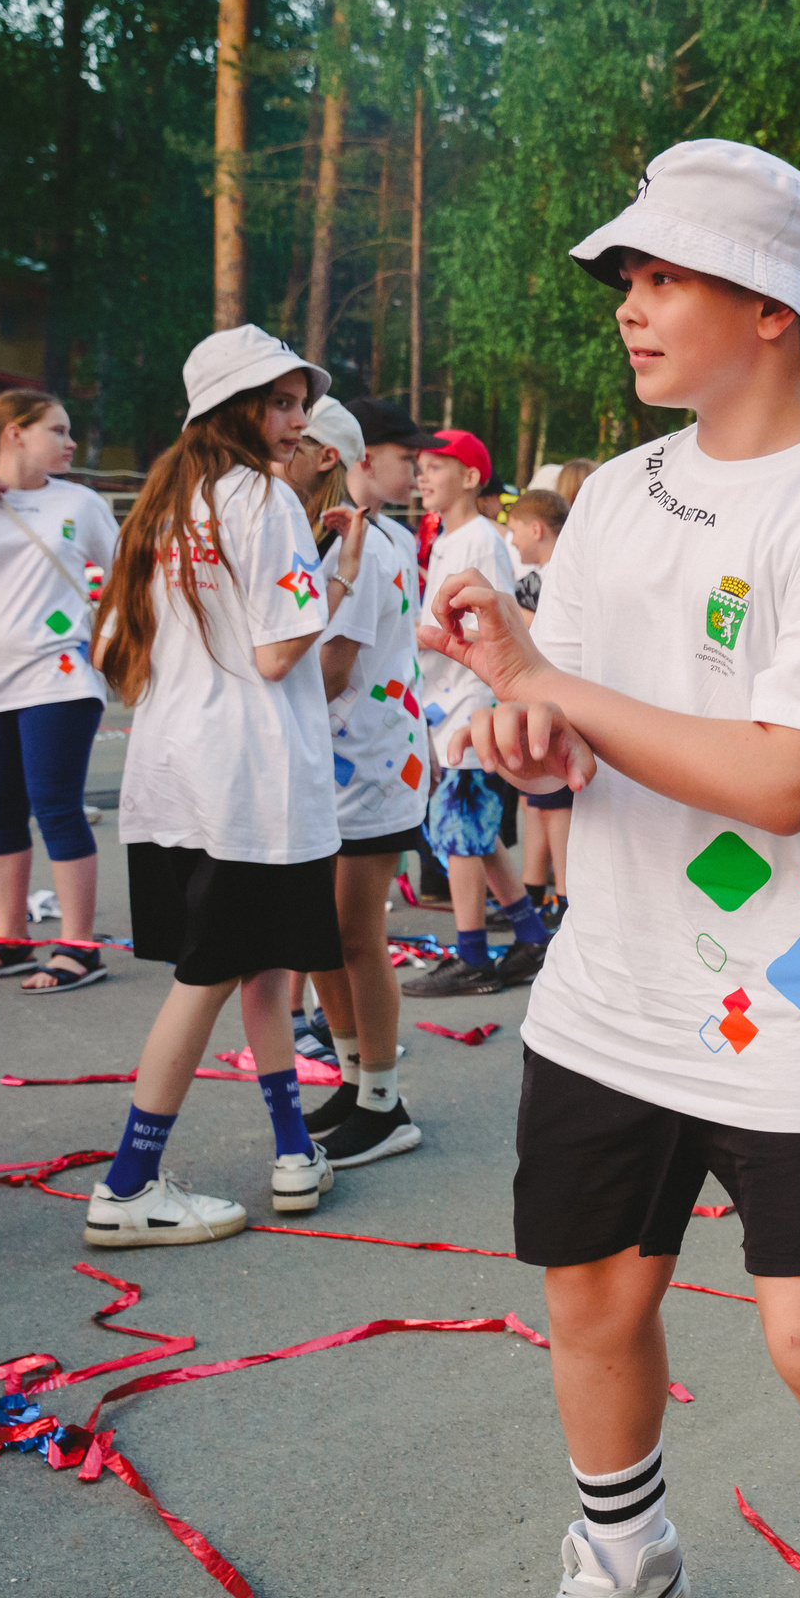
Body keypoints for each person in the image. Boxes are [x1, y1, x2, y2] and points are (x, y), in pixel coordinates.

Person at [422, 138, 800, 1598]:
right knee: (593, 1302)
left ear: (772, 306)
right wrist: (523, 721)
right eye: (628, 276)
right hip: (612, 977)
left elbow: (782, 779)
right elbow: (597, 733)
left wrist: (555, 685)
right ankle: (626, 1556)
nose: (631, 305)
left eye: (665, 274)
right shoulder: (617, 493)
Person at [84, 326, 348, 1245]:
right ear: (234, 410)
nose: (298, 418)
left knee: (265, 970)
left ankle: (291, 1149)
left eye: (298, 399)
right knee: (208, 978)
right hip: (252, 784)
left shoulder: (164, 499)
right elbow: (278, 651)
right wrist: (321, 573)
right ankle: (128, 1183)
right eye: (278, 402)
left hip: (177, 771)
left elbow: (121, 641)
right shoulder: (262, 500)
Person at [0, 389, 119, 992]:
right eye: (57, 431)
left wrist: (108, 641)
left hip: (57, 677)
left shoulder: (80, 503)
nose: (71, 443)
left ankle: (79, 946)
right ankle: (7, 941)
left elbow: (124, 577)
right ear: (14, 433)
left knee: (56, 805)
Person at [295, 394, 440, 1164]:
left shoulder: (372, 544)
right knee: (322, 933)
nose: (412, 469)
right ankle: (354, 1080)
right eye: (402, 456)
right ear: (354, 461)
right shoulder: (338, 537)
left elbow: (332, 668)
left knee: (356, 932)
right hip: (336, 760)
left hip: (374, 762)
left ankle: (383, 1098)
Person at [402, 427, 550, 998]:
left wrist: (393, 626)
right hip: (448, 702)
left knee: (458, 831)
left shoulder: (480, 542)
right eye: (420, 467)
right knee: (477, 834)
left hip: (473, 701)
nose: (423, 477)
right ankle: (529, 937)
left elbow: (468, 626)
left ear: (469, 478)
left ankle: (470, 957)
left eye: (436, 467)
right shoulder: (446, 537)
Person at [506, 487, 574, 929]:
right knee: (539, 804)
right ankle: (537, 894)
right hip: (541, 702)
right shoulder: (535, 581)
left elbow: (543, 630)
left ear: (536, 529)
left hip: (564, 703)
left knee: (557, 805)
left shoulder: (563, 579)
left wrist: (513, 622)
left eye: (515, 532)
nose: (511, 543)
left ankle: (566, 900)